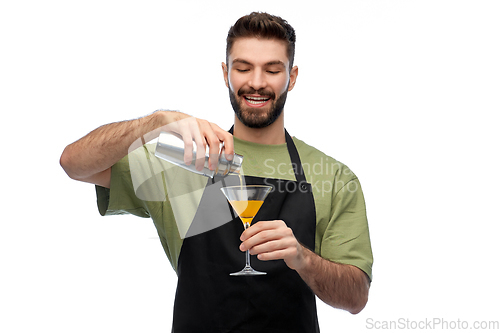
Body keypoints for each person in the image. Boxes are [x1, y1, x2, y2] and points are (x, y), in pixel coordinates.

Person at [60, 12, 373, 332]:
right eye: (243, 67)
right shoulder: (181, 161)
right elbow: (73, 162)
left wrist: (302, 258)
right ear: (226, 73)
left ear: (291, 78)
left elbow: (355, 297)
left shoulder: (333, 177)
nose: (256, 82)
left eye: (272, 69)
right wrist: (154, 123)